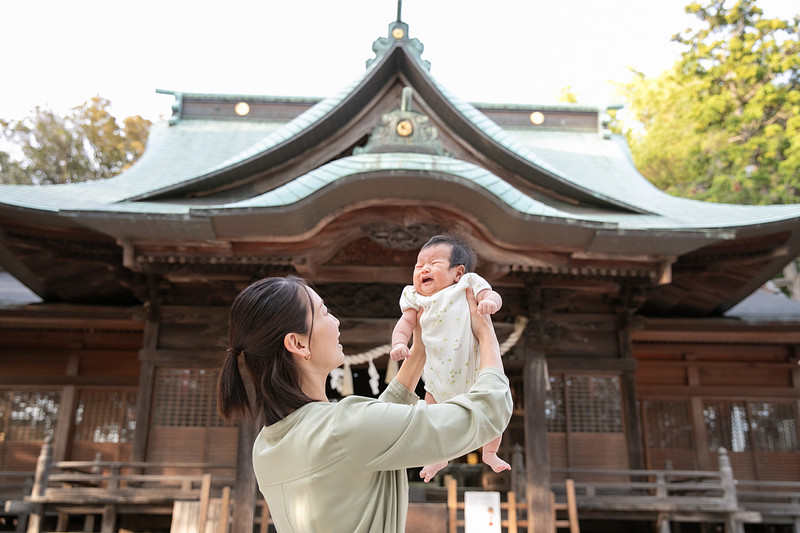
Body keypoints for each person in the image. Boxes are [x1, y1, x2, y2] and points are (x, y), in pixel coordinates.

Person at [217, 275, 512, 533]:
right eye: (324, 313)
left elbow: (364, 439)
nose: (335, 321)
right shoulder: (343, 427)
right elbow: (486, 413)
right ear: (298, 344)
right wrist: (487, 338)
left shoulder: (265, 447)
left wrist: (420, 351)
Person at [390, 234, 509, 482]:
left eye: (433, 263)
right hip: (437, 378)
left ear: (458, 272)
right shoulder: (414, 296)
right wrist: (399, 343)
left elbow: (492, 295)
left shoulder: (467, 284)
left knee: (492, 412)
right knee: (432, 417)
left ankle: (490, 452)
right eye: (418, 265)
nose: (423, 269)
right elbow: (405, 324)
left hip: (473, 370)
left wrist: (489, 303)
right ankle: (438, 458)